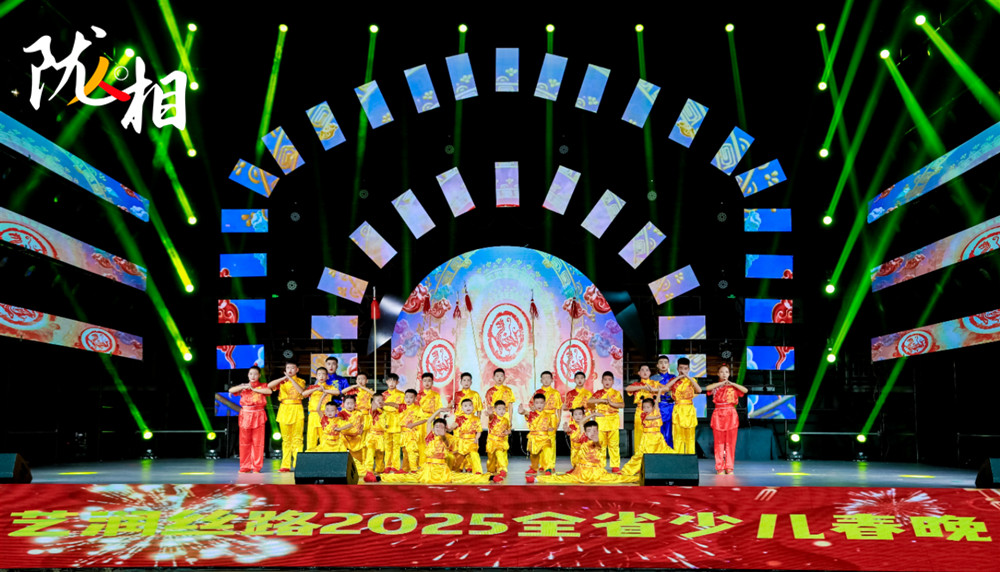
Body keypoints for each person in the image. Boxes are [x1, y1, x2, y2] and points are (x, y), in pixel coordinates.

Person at [379, 409, 492, 484]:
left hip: (442, 469)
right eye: (437, 427)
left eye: (441, 427)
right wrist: (439, 410)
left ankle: (487, 477)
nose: (439, 429)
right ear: (433, 429)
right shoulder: (430, 436)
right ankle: (381, 477)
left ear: (445, 429)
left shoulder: (448, 438)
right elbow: (429, 421)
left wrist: (443, 436)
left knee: (462, 478)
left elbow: (449, 447)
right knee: (407, 477)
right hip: (428, 469)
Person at [532, 420, 639, 484]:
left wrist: (596, 439)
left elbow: (597, 443)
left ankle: (638, 478)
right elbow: (581, 424)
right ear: (585, 433)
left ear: (598, 431)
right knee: (562, 478)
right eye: (589, 431)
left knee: (616, 478)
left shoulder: (599, 441)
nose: (592, 433)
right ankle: (537, 479)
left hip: (597, 473)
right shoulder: (582, 439)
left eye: (594, 431)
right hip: (581, 471)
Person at [704, 364, 747, 474]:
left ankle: (729, 467)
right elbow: (707, 388)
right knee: (719, 443)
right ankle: (719, 467)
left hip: (731, 415)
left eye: (726, 372)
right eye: (722, 372)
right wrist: (721, 383)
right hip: (718, 415)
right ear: (718, 374)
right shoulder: (715, 386)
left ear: (729, 374)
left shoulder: (733, 387)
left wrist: (732, 383)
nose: (724, 374)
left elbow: (745, 390)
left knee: (730, 443)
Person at [229, 365, 272, 473]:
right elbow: (231, 390)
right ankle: (245, 466)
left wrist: (253, 389)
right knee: (244, 442)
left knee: (258, 442)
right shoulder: (243, 386)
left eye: (255, 374)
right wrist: (243, 387)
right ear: (248, 375)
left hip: (258, 414)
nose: (253, 376)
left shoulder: (262, 386)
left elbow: (269, 391)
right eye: (251, 374)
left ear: (259, 375)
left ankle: (256, 466)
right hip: (246, 415)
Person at [267, 360, 307, 472]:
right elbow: (269, 386)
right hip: (284, 410)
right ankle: (285, 465)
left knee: (298, 438)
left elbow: (301, 391)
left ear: (297, 370)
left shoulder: (301, 381)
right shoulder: (282, 382)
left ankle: (298, 464)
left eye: (292, 368)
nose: (290, 370)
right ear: (285, 370)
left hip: (297, 409)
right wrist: (283, 378)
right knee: (286, 439)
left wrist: (291, 379)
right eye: (288, 368)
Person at [622, 393, 672, 476]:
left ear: (652, 407)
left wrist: (659, 392)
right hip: (648, 438)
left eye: (648, 407)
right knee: (642, 454)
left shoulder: (656, 411)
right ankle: (632, 469)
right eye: (644, 407)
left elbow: (656, 403)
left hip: (658, 438)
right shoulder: (643, 415)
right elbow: (648, 418)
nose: (646, 409)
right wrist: (657, 417)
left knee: (662, 452)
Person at [587, 371, 625, 473]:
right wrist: (602, 400)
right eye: (605, 380)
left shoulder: (616, 393)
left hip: (613, 421)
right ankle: (601, 464)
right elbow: (589, 401)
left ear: (613, 382)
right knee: (601, 444)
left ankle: (615, 465)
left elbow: (622, 405)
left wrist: (611, 403)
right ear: (602, 381)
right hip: (601, 420)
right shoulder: (599, 393)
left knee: (614, 444)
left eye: (609, 380)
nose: (607, 382)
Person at [664, 357, 702, 454]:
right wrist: (678, 377)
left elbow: (699, 390)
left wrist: (688, 377)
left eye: (685, 368)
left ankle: (690, 456)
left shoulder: (692, 380)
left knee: (690, 435)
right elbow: (666, 388)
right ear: (677, 369)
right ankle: (678, 457)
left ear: (688, 369)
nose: (683, 371)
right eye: (681, 368)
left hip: (689, 409)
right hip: (678, 409)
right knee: (678, 435)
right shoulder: (674, 380)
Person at [520, 393, 556, 476]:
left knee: (547, 452)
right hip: (534, 438)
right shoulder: (531, 414)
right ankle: (534, 468)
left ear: (545, 403)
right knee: (534, 455)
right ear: (534, 404)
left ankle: (548, 468)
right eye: (537, 403)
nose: (539, 405)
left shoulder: (549, 415)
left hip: (545, 437)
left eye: (541, 403)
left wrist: (550, 428)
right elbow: (525, 412)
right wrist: (522, 411)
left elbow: (552, 426)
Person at [625, 364, 658, 451]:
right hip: (640, 411)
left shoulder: (655, 383)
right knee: (639, 434)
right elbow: (627, 388)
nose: (645, 372)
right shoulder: (636, 384)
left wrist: (654, 390)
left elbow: (666, 388)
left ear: (650, 373)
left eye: (647, 370)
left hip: (653, 411)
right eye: (642, 370)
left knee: (653, 433)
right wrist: (643, 387)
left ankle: (652, 454)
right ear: (639, 373)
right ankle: (639, 455)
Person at [335, 394, 368, 475]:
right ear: (343, 404)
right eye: (348, 403)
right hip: (345, 438)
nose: (350, 405)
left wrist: (360, 431)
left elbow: (362, 423)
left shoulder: (359, 413)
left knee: (358, 458)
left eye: (352, 403)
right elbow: (339, 424)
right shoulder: (341, 414)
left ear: (355, 404)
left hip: (356, 438)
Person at [416, 372, 444, 465]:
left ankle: (430, 461)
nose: (427, 383)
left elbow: (438, 410)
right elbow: (415, 410)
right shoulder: (418, 396)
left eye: (429, 381)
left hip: (431, 420)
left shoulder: (436, 395)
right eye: (425, 381)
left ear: (432, 382)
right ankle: (421, 464)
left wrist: (438, 423)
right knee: (421, 442)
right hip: (421, 421)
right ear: (422, 382)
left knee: (431, 440)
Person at [301, 366, 332, 452]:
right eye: (319, 374)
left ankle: (326, 455)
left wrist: (324, 390)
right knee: (311, 436)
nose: (321, 376)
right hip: (313, 415)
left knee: (325, 436)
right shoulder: (312, 387)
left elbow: (337, 392)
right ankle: (310, 455)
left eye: (323, 374)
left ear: (327, 376)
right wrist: (316, 388)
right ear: (316, 376)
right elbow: (303, 394)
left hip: (325, 415)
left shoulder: (330, 387)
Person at [537, 371, 562, 468]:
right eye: (544, 378)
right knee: (541, 440)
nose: (546, 380)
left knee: (551, 441)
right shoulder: (538, 392)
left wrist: (559, 420)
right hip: (541, 418)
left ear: (552, 380)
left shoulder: (555, 393)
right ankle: (542, 464)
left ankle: (550, 464)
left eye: (548, 378)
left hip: (551, 417)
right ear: (541, 380)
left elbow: (559, 408)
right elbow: (532, 405)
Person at [381, 373, 406, 473]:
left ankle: (395, 466)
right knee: (387, 445)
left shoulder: (402, 394)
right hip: (386, 420)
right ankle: (387, 465)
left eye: (393, 381)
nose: (391, 383)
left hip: (397, 420)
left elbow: (404, 408)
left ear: (397, 382)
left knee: (396, 445)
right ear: (386, 382)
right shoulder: (383, 395)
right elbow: (380, 409)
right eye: (389, 381)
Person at [451, 398, 484, 474]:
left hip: (472, 440)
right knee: (459, 457)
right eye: (465, 406)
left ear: (473, 407)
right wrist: (449, 428)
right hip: (462, 441)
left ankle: (477, 471)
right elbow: (453, 426)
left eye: (470, 405)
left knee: (474, 455)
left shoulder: (476, 419)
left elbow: (479, 431)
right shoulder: (460, 418)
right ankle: (456, 469)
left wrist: (476, 438)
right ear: (462, 408)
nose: (468, 407)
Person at [363, 394, 390, 482]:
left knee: (380, 454)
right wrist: (373, 406)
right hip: (372, 435)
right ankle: (369, 470)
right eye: (378, 400)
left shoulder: (385, 412)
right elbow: (371, 411)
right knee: (370, 453)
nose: (380, 401)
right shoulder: (372, 411)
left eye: (382, 400)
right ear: (373, 402)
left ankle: (379, 470)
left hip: (381, 436)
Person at [651, 355, 676, 449]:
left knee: (670, 431)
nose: (663, 364)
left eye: (665, 362)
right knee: (658, 429)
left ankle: (670, 450)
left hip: (671, 406)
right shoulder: (653, 378)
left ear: (668, 364)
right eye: (661, 362)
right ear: (657, 365)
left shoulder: (673, 377)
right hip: (659, 406)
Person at [398, 389, 426, 472]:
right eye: (406, 397)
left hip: (412, 433)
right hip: (403, 433)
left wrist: (414, 424)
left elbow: (424, 419)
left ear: (415, 398)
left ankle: (414, 468)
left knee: (411, 450)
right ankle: (405, 468)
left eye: (411, 397)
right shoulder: (402, 408)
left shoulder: (417, 409)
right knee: (405, 451)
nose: (408, 399)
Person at [483, 401, 511, 478]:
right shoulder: (493, 417)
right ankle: (491, 470)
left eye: (503, 409)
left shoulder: (506, 420)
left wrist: (507, 432)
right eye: (499, 409)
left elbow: (508, 429)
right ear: (495, 410)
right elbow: (491, 416)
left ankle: (502, 469)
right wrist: (490, 414)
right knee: (491, 459)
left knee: (500, 454)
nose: (502, 411)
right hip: (492, 441)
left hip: (500, 442)